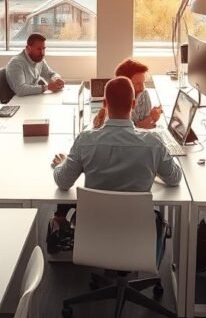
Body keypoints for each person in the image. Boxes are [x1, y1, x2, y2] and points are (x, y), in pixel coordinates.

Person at [48, 76, 182, 254]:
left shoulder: (85, 141)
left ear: (104, 103)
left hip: (94, 233)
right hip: (139, 236)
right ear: (134, 104)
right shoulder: (153, 143)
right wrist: (153, 166)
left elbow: (62, 182)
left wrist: (63, 163)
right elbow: (175, 178)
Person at [93, 58, 162, 129]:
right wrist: (143, 125)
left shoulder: (143, 94)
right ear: (123, 84)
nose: (142, 88)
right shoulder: (113, 106)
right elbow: (117, 135)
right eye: (138, 84)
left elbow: (146, 123)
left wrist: (151, 118)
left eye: (143, 82)